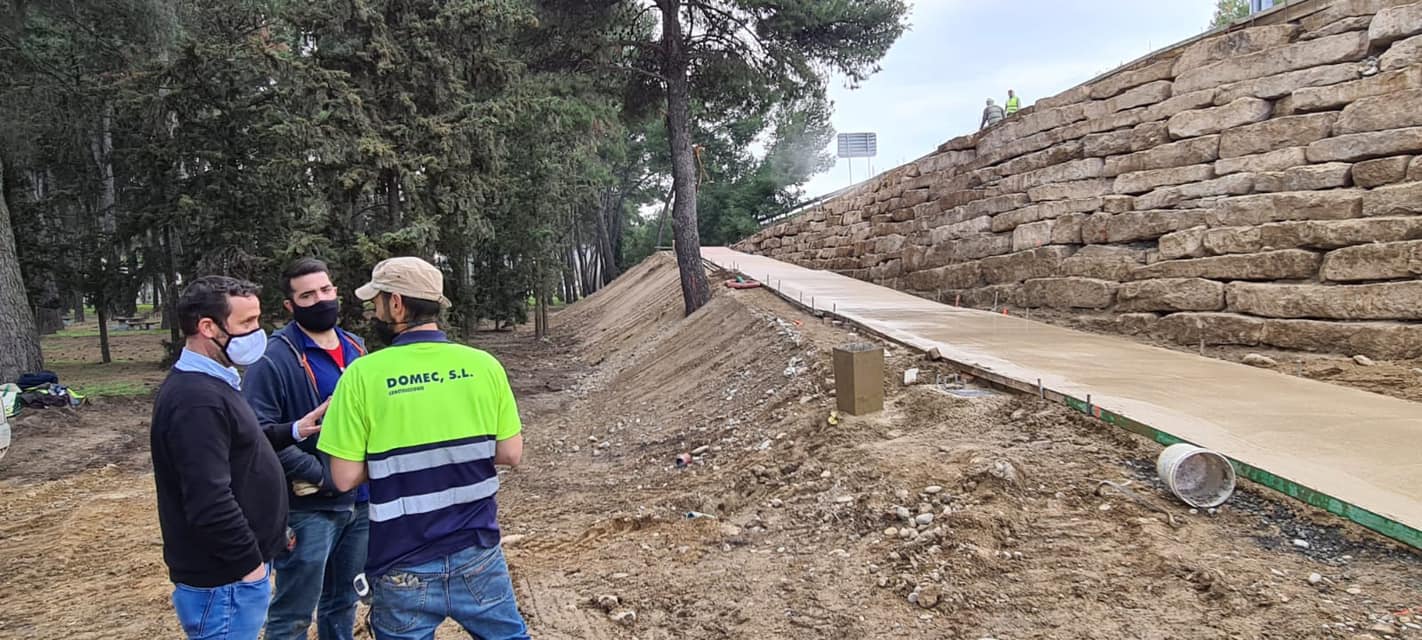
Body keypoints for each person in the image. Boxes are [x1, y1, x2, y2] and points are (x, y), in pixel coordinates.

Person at [318, 256, 529, 640]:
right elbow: (511, 453)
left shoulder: (362, 375)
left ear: (397, 304)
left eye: (377, 302)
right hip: (477, 551)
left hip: (401, 561)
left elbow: (344, 477)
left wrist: (393, 460)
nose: (374, 312)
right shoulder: (484, 365)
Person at [150, 276, 313, 640]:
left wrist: (294, 430)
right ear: (208, 327)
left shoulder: (215, 381)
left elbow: (238, 446)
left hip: (235, 576)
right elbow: (208, 500)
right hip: (225, 581)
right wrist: (249, 565)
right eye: (247, 322)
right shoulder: (196, 400)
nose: (257, 332)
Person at [244, 258, 369, 640]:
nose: (321, 300)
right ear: (290, 305)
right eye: (308, 295)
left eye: (326, 290)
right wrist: (323, 477)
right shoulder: (271, 359)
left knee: (343, 602)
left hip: (361, 503)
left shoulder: (357, 347)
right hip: (308, 509)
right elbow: (257, 437)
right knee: (293, 615)